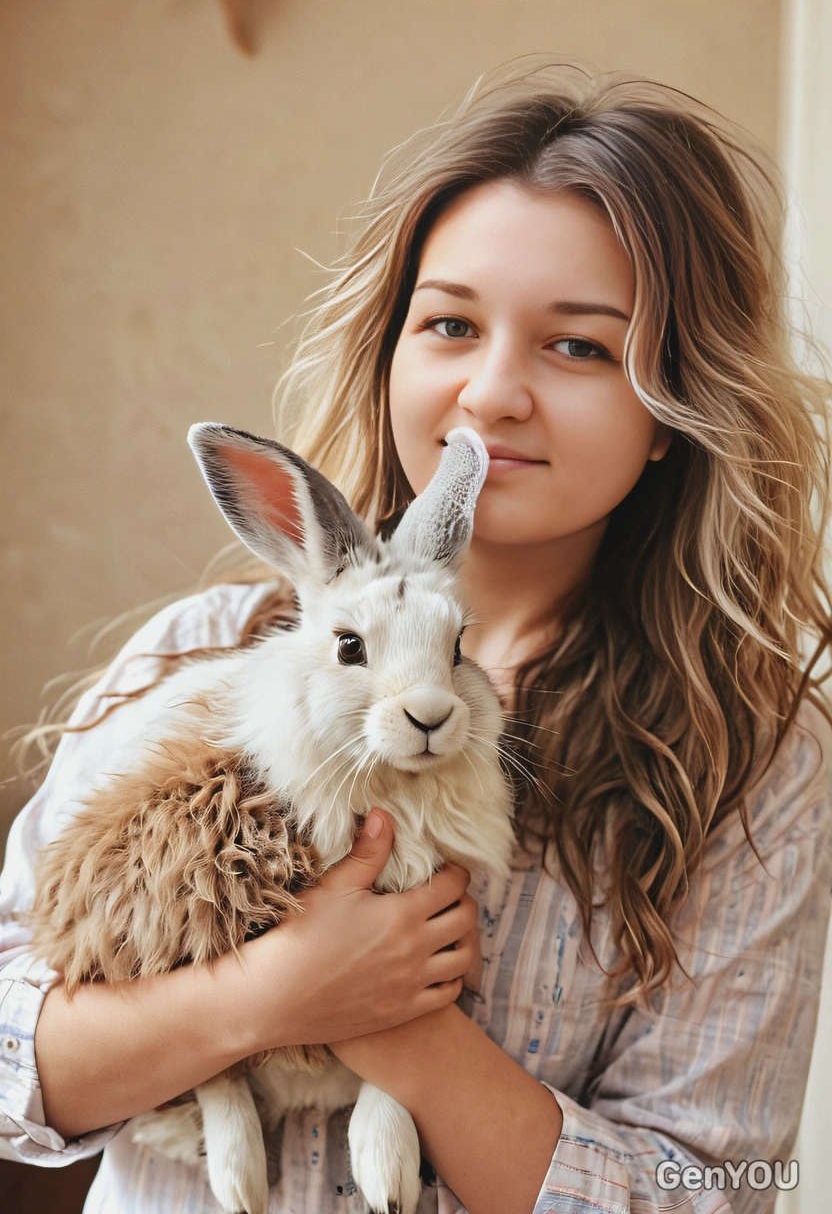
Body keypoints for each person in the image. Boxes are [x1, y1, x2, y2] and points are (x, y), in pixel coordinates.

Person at [2, 64, 831, 1214]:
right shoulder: (201, 653)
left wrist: (405, 1030)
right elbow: (11, 1049)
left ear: (672, 413)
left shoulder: (755, 761)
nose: (491, 395)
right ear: (391, 350)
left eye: (579, 347)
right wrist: (273, 994)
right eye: (449, 324)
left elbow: (710, 1189)